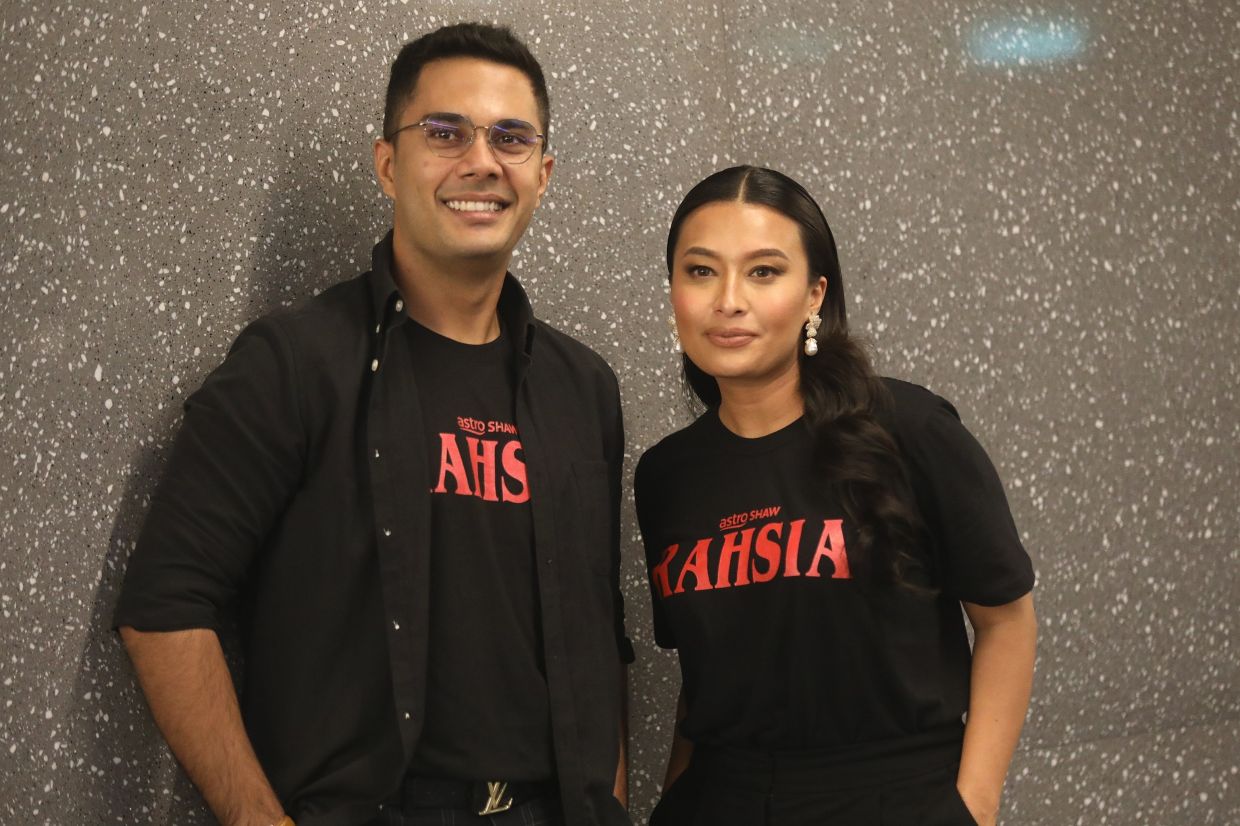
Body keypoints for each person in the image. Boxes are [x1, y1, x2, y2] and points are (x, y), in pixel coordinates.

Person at [115, 23, 633, 826]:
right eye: (445, 132)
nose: (481, 161)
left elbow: (600, 641)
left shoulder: (584, 388)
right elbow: (164, 607)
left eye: (510, 137)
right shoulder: (294, 363)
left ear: (543, 172)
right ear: (389, 164)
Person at [635, 166, 1037, 826]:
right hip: (719, 797)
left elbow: (1007, 621)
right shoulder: (666, 475)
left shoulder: (909, 431)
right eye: (700, 271)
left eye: (764, 272)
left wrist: (973, 807)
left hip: (892, 796)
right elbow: (706, 684)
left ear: (814, 294)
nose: (728, 300)